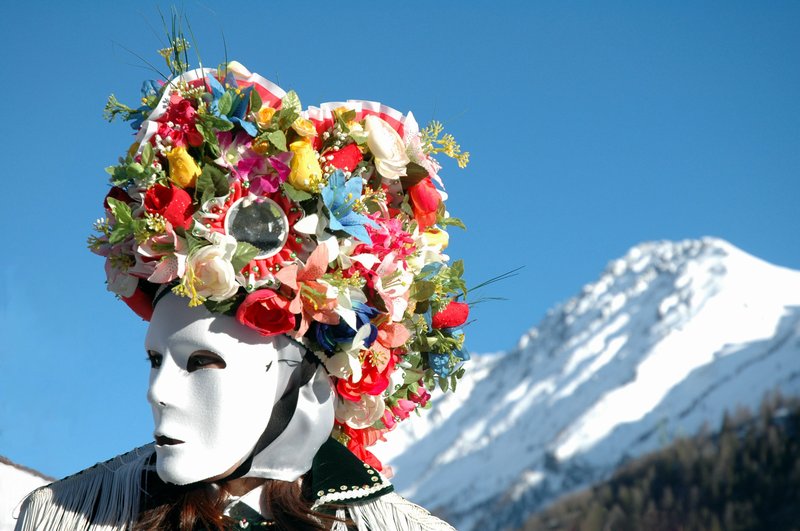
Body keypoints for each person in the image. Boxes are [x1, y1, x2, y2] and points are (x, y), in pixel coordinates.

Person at [14, 42, 471, 530]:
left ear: (304, 378)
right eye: (154, 359)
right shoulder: (70, 517)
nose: (158, 391)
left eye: (204, 362)